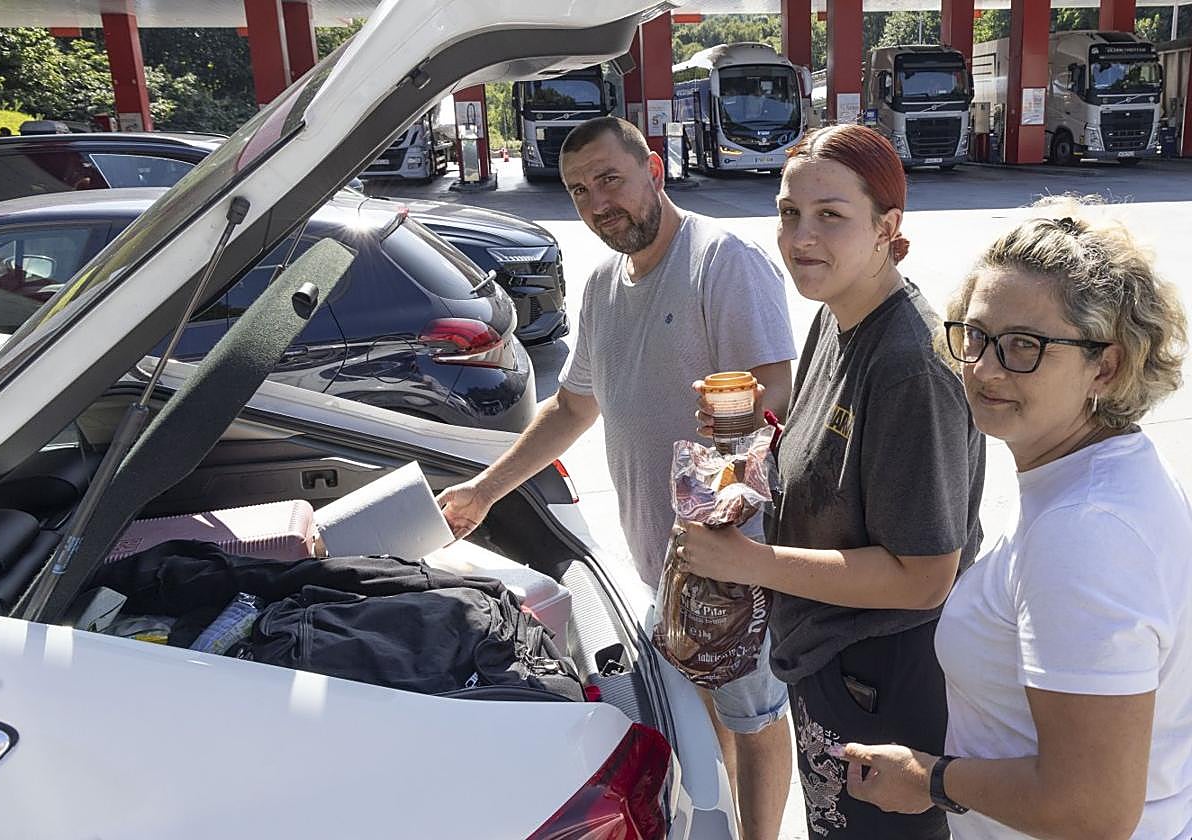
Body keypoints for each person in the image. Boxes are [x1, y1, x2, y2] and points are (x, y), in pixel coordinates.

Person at [437, 116, 798, 840]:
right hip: (663, 563)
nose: (598, 203)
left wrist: (718, 501)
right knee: (699, 716)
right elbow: (572, 408)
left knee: (753, 717)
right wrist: (485, 491)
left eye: (610, 179)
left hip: (738, 560)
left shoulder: (720, 261)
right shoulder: (603, 286)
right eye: (578, 190)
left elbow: (775, 394)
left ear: (653, 171)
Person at [839, 200, 1192, 839]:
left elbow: (1092, 808)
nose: (985, 368)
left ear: (1105, 367)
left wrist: (928, 779)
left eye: (1025, 346)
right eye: (975, 336)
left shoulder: (1085, 531)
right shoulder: (1106, 473)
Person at [675, 123, 985, 839]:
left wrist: (749, 562)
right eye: (789, 213)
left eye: (831, 216)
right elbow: (822, 459)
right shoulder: (836, 318)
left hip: (887, 679)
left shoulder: (908, 364)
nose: (801, 236)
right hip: (829, 662)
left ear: (888, 227)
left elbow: (924, 576)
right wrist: (746, 435)